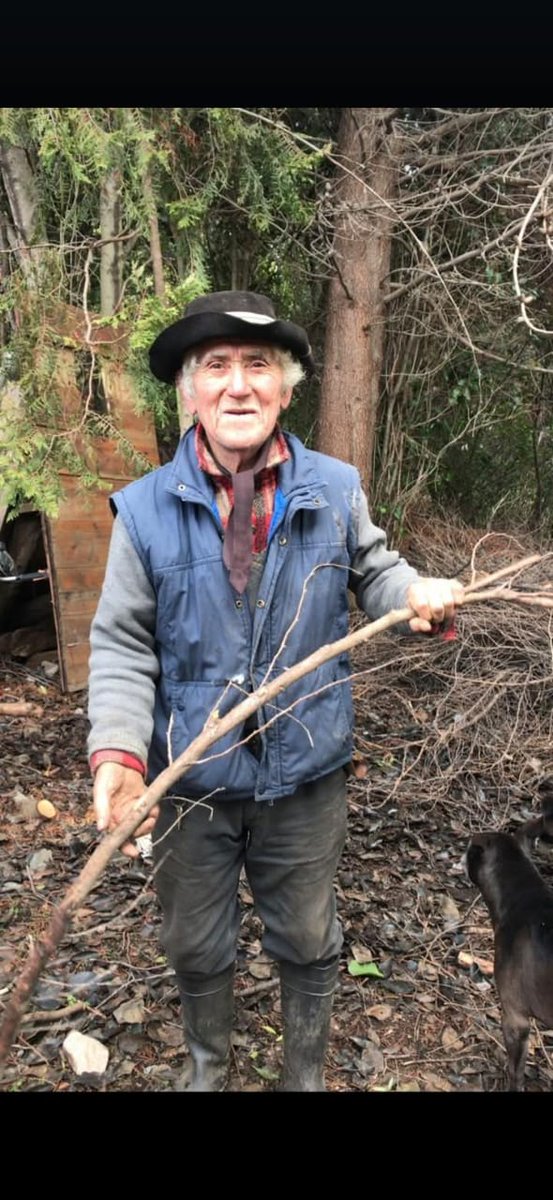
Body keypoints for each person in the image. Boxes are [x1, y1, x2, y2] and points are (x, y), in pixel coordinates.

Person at [88, 290, 464, 1091]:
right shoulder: (145, 510)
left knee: (305, 935)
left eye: (256, 366)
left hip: (304, 775)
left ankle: (302, 1076)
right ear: (188, 391)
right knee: (194, 942)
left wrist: (414, 594)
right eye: (215, 367)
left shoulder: (331, 487)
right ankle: (206, 1070)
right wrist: (119, 754)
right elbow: (121, 641)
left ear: (287, 388)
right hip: (189, 779)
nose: (237, 385)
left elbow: (376, 572)